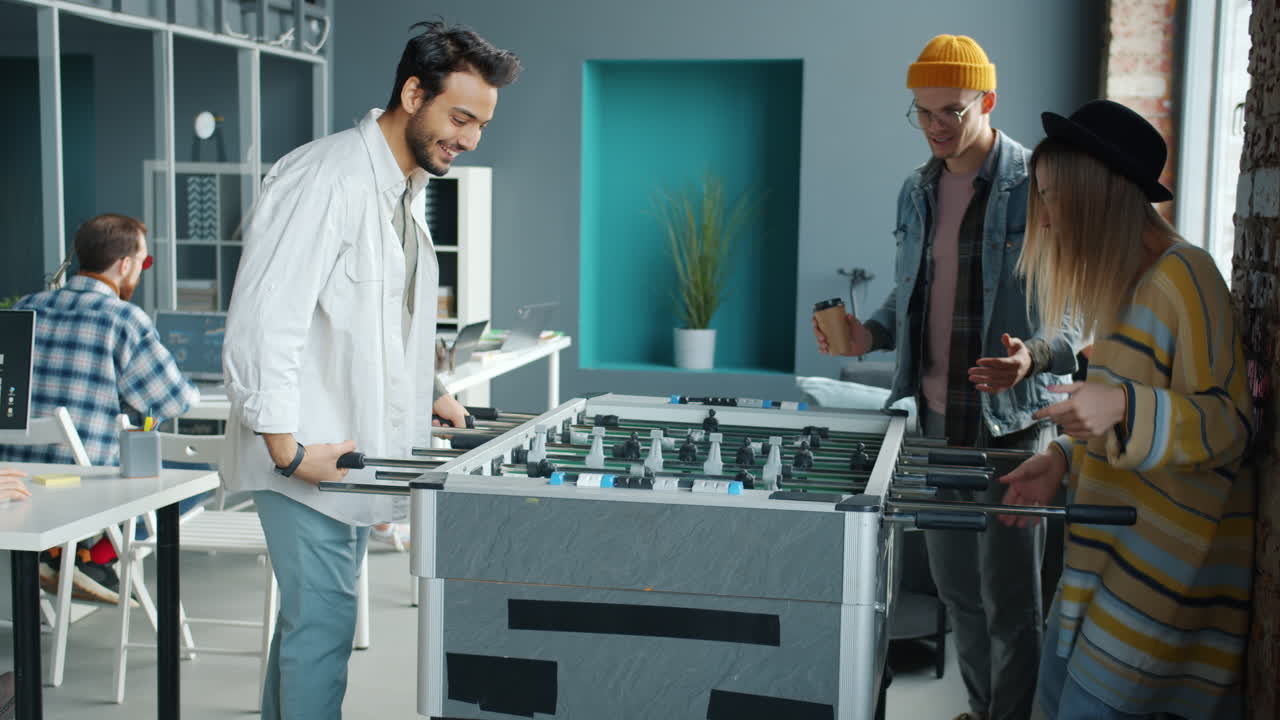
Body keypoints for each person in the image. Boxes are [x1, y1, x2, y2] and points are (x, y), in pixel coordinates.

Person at [221, 20, 520, 718]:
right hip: (308, 459)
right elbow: (267, 321)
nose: (471, 139)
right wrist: (288, 453)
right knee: (322, 630)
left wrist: (430, 393)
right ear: (414, 92)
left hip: (347, 456)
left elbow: (381, 325)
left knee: (313, 628)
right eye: (461, 117)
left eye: (481, 125)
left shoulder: (401, 196)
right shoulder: (324, 179)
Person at [812, 35, 1081, 720]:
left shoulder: (1039, 184)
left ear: (987, 101)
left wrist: (1034, 358)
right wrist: (863, 333)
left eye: (952, 111)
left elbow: (1081, 310)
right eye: (923, 113)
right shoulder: (916, 189)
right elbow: (910, 298)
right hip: (933, 425)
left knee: (1012, 604)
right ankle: (985, 708)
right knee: (957, 592)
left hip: (1011, 429)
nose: (936, 126)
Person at [1000, 99, 1253, 720]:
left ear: (1097, 194)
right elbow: (1119, 417)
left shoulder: (1185, 277)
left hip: (1154, 597)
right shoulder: (1122, 287)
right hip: (1095, 574)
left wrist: (1123, 406)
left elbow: (1231, 425)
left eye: (1053, 196)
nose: (1048, 219)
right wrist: (1060, 459)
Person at [0, 214, 199, 603]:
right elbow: (173, 401)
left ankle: (63, 555)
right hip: (85, 491)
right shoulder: (123, 319)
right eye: (144, 263)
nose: (141, 271)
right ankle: (93, 558)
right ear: (124, 265)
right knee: (197, 474)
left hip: (15, 479)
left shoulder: (26, 306)